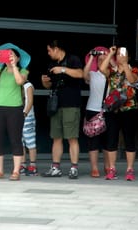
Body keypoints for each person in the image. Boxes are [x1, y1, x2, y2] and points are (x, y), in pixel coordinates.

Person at [40, 40, 83, 179]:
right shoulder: (52, 64)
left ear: (56, 48)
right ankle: (55, 167)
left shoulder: (73, 59)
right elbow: (49, 85)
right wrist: (45, 82)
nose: (48, 53)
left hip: (71, 104)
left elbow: (80, 74)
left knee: (72, 137)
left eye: (49, 50)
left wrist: (63, 69)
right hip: (56, 105)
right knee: (56, 137)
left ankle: (74, 168)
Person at [0, 43, 30, 181]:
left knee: (15, 140)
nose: (9, 56)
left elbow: (19, 81)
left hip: (15, 109)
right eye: (8, 54)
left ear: (17, 58)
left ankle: (16, 171)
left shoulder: (23, 71)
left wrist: (14, 66)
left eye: (12, 54)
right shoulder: (0, 70)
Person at [101, 46, 138, 181]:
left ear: (128, 57)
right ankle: (112, 169)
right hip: (113, 109)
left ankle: (130, 169)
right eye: (118, 54)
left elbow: (132, 79)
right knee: (112, 139)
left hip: (129, 109)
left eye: (123, 54)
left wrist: (125, 65)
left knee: (129, 139)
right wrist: (110, 54)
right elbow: (101, 69)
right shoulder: (111, 71)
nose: (120, 56)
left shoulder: (133, 69)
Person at [82, 46, 110, 178]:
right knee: (93, 142)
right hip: (93, 110)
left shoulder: (113, 74)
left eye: (105, 59)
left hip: (109, 110)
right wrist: (92, 57)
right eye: (100, 60)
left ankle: (108, 166)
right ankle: (94, 168)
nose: (102, 61)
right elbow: (84, 74)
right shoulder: (93, 75)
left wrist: (110, 55)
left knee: (108, 141)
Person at [19, 80, 38, 176]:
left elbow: (30, 101)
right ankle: (22, 164)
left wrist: (25, 113)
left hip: (27, 117)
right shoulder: (17, 85)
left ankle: (33, 165)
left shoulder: (28, 85)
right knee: (20, 142)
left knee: (30, 142)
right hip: (17, 117)